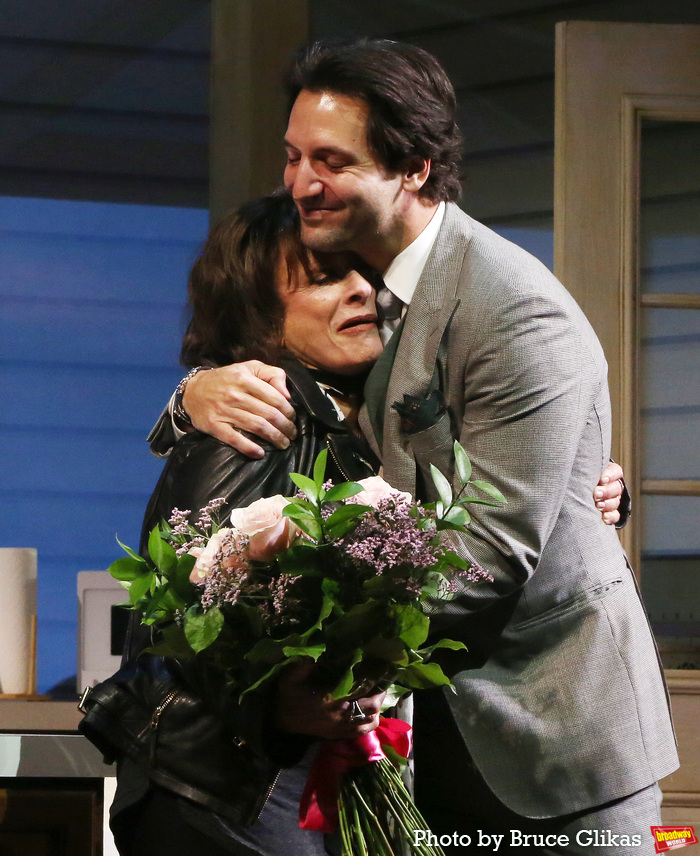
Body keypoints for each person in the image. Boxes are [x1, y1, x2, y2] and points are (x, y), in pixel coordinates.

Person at [164, 38, 679, 855]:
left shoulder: (512, 310)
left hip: (552, 742)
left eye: (331, 159)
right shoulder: (380, 292)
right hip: (440, 745)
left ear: (414, 169)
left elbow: (493, 549)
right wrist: (192, 393)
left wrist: (322, 662)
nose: (301, 182)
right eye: (293, 155)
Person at [109, 191, 389, 856]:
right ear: (261, 321)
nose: (359, 291)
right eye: (325, 278)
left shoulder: (364, 412)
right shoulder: (253, 417)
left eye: (362, 272)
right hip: (219, 794)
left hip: (286, 782)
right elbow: (185, 605)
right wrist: (277, 704)